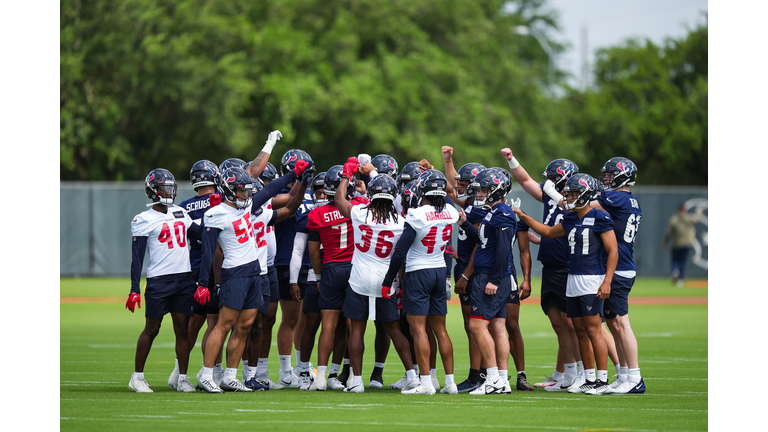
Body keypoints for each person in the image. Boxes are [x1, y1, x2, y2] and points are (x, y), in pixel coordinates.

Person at [195, 160, 313, 393]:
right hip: (235, 273)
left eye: (246, 191)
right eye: (240, 191)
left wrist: (295, 175)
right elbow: (209, 251)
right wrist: (203, 283)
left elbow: (269, 190)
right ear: (229, 190)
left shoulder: (246, 207)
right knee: (224, 324)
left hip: (254, 272)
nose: (245, 195)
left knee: (245, 325)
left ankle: (230, 376)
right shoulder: (215, 214)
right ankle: (207, 374)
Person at [514, 174, 619, 395]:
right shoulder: (571, 218)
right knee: (580, 331)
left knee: (593, 331)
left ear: (585, 195)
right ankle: (589, 378)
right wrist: (523, 216)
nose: (568, 198)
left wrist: (607, 280)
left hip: (592, 279)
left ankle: (602, 379)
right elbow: (548, 232)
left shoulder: (600, 217)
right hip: (572, 280)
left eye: (572, 194)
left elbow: (613, 251)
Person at [500, 148, 586, 391]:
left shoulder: (578, 201)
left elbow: (562, 219)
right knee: (558, 322)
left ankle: (583, 373)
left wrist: (528, 221)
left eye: (551, 177)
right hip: (550, 264)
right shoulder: (551, 195)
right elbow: (525, 180)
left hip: (568, 265)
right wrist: (512, 160)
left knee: (571, 324)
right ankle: (568, 375)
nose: (546, 181)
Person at [334, 161, 419, 393]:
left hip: (359, 277)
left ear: (370, 194)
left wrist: (346, 175)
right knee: (393, 329)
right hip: (386, 280)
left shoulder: (360, 213)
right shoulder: (402, 222)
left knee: (357, 330)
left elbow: (339, 200)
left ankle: (357, 381)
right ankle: (412, 376)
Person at [381, 169, 459, 395]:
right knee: (441, 330)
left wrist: (388, 280)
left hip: (418, 271)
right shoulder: (450, 212)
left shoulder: (416, 214)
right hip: (439, 269)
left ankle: (425, 383)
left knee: (418, 330)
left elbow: (399, 252)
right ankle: (450, 383)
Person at [127, 168, 204, 393]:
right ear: (153, 190)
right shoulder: (143, 219)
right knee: (152, 328)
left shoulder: (180, 212)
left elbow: (201, 234)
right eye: (164, 188)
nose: (169, 192)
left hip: (184, 279)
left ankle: (181, 378)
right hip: (159, 281)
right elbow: (137, 258)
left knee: (183, 329)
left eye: (171, 187)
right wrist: (133, 289)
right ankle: (137, 377)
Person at [242, 171, 313, 390]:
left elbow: (291, 207)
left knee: (280, 320)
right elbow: (283, 198)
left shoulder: (265, 211)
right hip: (264, 266)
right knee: (253, 323)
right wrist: (297, 179)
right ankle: (230, 372)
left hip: (277, 266)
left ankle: (291, 369)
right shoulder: (255, 204)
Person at [455, 168, 518, 395]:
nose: (479, 193)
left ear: (497, 190)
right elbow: (483, 241)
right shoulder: (493, 212)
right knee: (498, 327)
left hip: (491, 277)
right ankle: (501, 378)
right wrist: (464, 224)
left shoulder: (502, 213)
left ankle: (492, 378)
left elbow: (502, 251)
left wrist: (494, 279)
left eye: (483, 189)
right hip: (492, 275)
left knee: (476, 325)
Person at [302, 164, 362, 391]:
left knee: (328, 326)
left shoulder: (316, 214)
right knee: (351, 326)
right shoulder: (359, 206)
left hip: (331, 269)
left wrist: (318, 275)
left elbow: (313, 253)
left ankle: (320, 377)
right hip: (355, 269)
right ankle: (346, 376)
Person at [167, 160, 224, 389]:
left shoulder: (183, 206)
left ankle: (177, 372)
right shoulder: (219, 202)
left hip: (192, 265)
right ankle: (210, 371)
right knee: (215, 321)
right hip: (214, 266)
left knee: (194, 322)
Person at [663, 203, 704, 287]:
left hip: (676, 244)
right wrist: (699, 212)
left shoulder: (674, 219)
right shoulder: (689, 218)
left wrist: (666, 242)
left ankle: (675, 271)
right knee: (682, 262)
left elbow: (668, 233)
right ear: (684, 210)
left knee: (674, 260)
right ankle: (680, 280)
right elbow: (698, 219)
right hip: (686, 244)